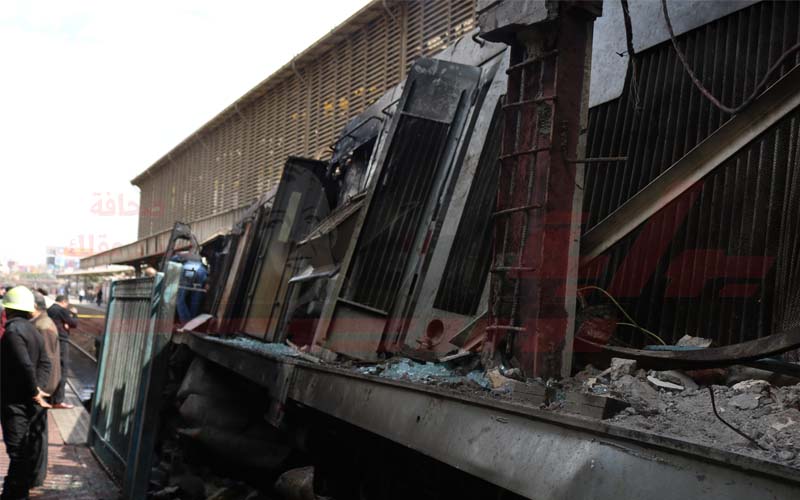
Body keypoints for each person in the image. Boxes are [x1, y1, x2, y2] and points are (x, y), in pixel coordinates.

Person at [1, 286, 51, 500]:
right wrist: (38, 388)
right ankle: (15, 493)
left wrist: (33, 391)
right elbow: (45, 363)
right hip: (29, 401)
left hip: (15, 402)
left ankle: (14, 495)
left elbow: (25, 365)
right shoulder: (34, 331)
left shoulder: (13, 332)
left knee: (17, 452)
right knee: (23, 450)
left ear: (8, 310)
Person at [30, 293, 60, 488]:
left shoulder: (43, 326)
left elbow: (46, 361)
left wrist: (40, 388)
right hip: (41, 387)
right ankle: (35, 474)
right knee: (37, 433)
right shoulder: (41, 324)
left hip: (42, 389)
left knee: (37, 434)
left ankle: (36, 476)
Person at [46, 295, 77, 410]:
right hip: (62, 340)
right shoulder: (62, 310)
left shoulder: (49, 309)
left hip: (51, 340)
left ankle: (49, 398)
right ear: (64, 302)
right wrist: (74, 315)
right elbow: (73, 323)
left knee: (52, 368)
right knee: (63, 370)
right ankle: (58, 401)